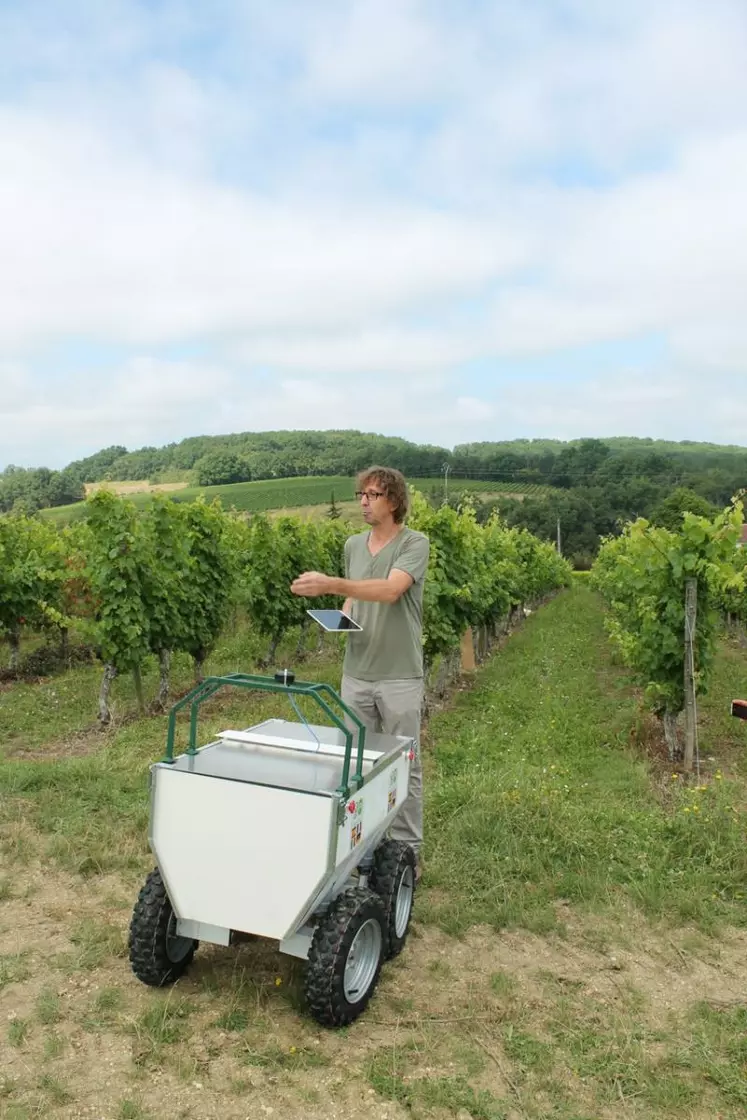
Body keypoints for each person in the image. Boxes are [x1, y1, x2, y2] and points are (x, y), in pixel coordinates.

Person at [290, 465, 430, 878]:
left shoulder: (414, 543)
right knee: (356, 763)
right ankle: (363, 847)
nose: (364, 502)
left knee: (405, 762)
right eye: (361, 495)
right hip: (357, 674)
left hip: (399, 675)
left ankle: (405, 856)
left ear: (394, 501)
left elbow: (389, 590)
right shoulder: (353, 545)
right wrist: (342, 617)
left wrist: (332, 585)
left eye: (372, 495)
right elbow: (357, 596)